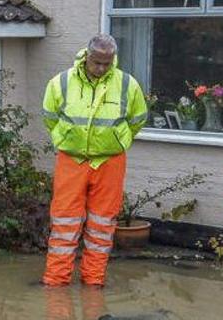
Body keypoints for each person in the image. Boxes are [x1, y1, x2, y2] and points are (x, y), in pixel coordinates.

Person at [41, 34, 148, 287]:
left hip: (110, 162)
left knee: (101, 226)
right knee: (64, 223)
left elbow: (137, 119)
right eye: (97, 62)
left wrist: (117, 142)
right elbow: (49, 116)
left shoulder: (126, 84)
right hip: (71, 159)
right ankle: (56, 282)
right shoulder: (61, 82)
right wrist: (66, 139)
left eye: (106, 63)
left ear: (113, 60)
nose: (101, 68)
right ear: (86, 56)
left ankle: (93, 282)